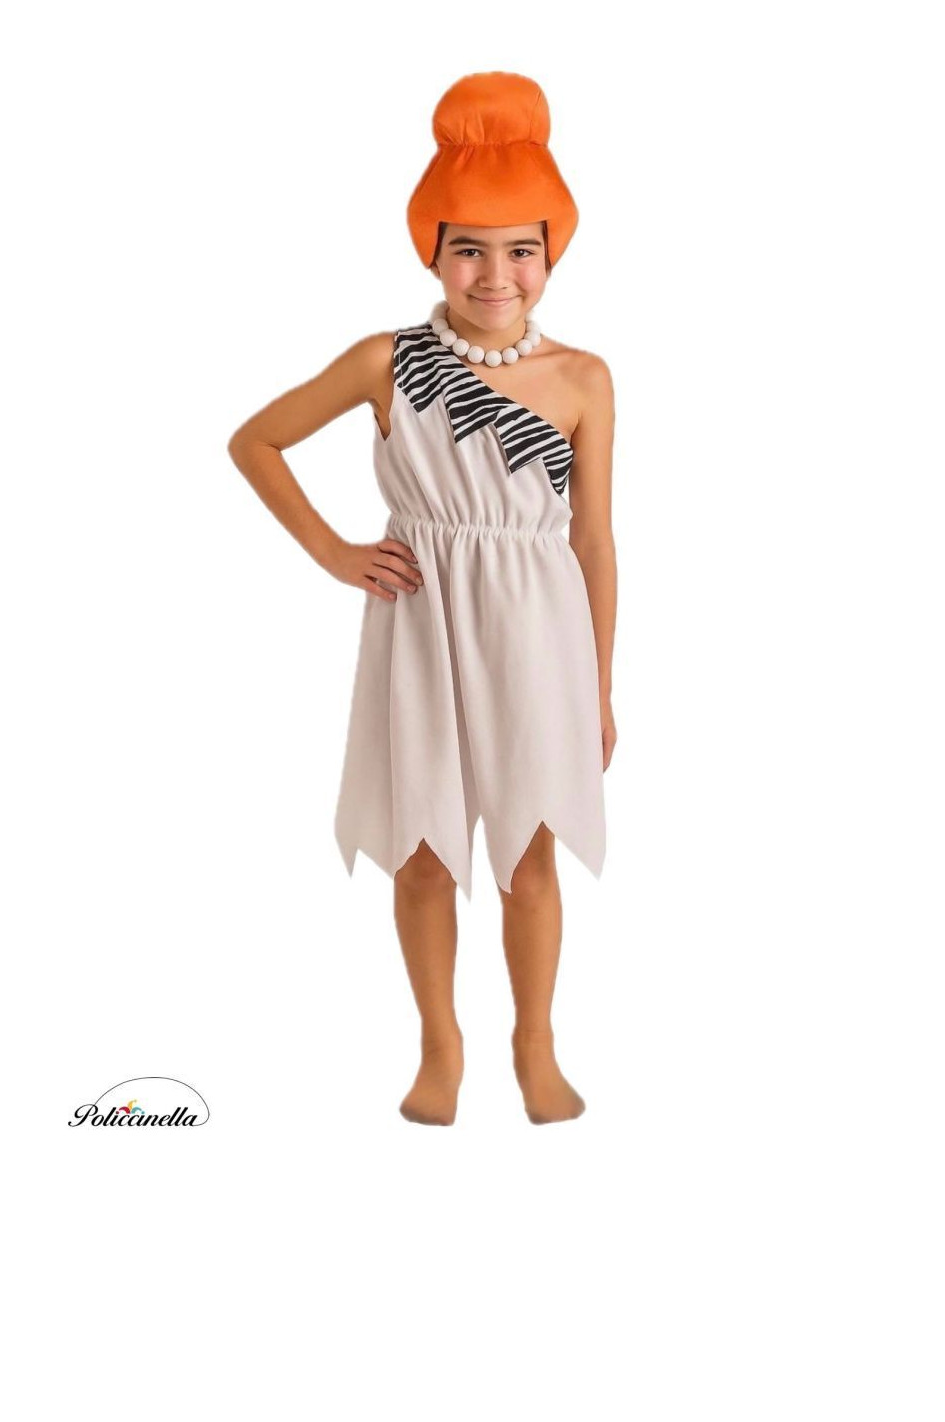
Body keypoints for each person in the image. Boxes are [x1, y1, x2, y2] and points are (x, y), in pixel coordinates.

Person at [228, 72, 617, 1126]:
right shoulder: (386, 364)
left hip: (537, 634)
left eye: (521, 250)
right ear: (432, 252)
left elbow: (591, 540)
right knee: (424, 853)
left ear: (551, 254)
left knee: (530, 853)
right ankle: (439, 1046)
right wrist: (334, 553)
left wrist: (599, 688)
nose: (495, 275)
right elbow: (255, 441)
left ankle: (534, 1045)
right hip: (421, 626)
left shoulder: (583, 379)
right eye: (468, 250)